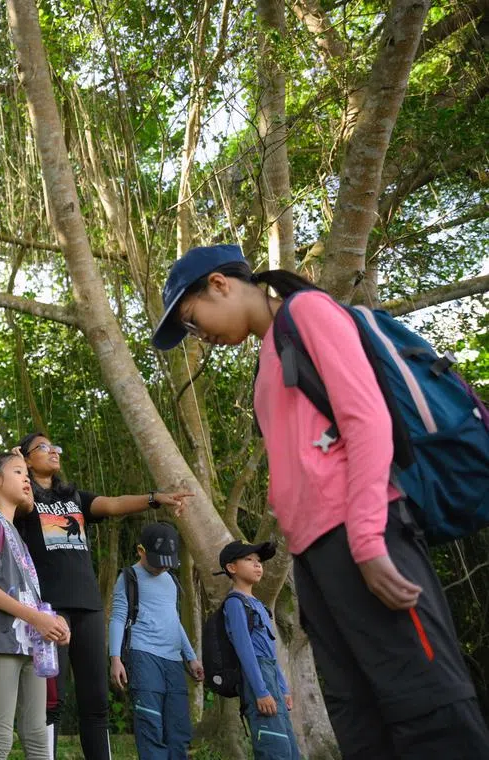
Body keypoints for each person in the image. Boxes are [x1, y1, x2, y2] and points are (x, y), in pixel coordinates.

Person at [153, 243, 489, 758]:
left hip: (361, 532)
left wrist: (369, 535)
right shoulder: (268, 357)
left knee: (426, 704)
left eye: (194, 321)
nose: (202, 337)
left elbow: (367, 418)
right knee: (358, 714)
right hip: (314, 552)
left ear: (220, 284)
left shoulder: (306, 312)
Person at [14, 431, 191, 759]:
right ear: (24, 459)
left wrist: (155, 497)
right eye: (42, 448)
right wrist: (14, 464)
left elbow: (113, 505)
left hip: (89, 606)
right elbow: (2, 495)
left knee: (95, 701)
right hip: (49, 609)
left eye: (55, 446)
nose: (53, 451)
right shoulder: (24, 500)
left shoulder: (75, 498)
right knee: (52, 701)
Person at [0, 448, 71, 759]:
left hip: (34, 643)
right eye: (18, 472)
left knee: (38, 733)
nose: (26, 479)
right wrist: (35, 618)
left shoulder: (18, 534)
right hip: (3, 640)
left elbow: (27, 592)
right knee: (0, 733)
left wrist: (52, 621)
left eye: (27, 475)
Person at [108, 522, 203, 760]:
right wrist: (116, 659)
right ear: (141, 551)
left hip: (173, 660)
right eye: (157, 561)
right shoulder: (128, 577)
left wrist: (190, 658)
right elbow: (118, 617)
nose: (162, 567)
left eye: (166, 562)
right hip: (143, 655)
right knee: (150, 724)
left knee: (178, 729)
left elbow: (174, 621)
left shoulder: (170, 580)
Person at [216, 540, 300, 760]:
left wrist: (282, 688)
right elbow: (245, 650)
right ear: (231, 568)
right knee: (274, 748)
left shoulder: (259, 604)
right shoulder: (235, 603)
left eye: (259, 561)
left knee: (289, 748)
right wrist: (261, 692)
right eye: (249, 560)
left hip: (270, 674)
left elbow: (271, 652)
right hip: (256, 678)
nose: (257, 565)